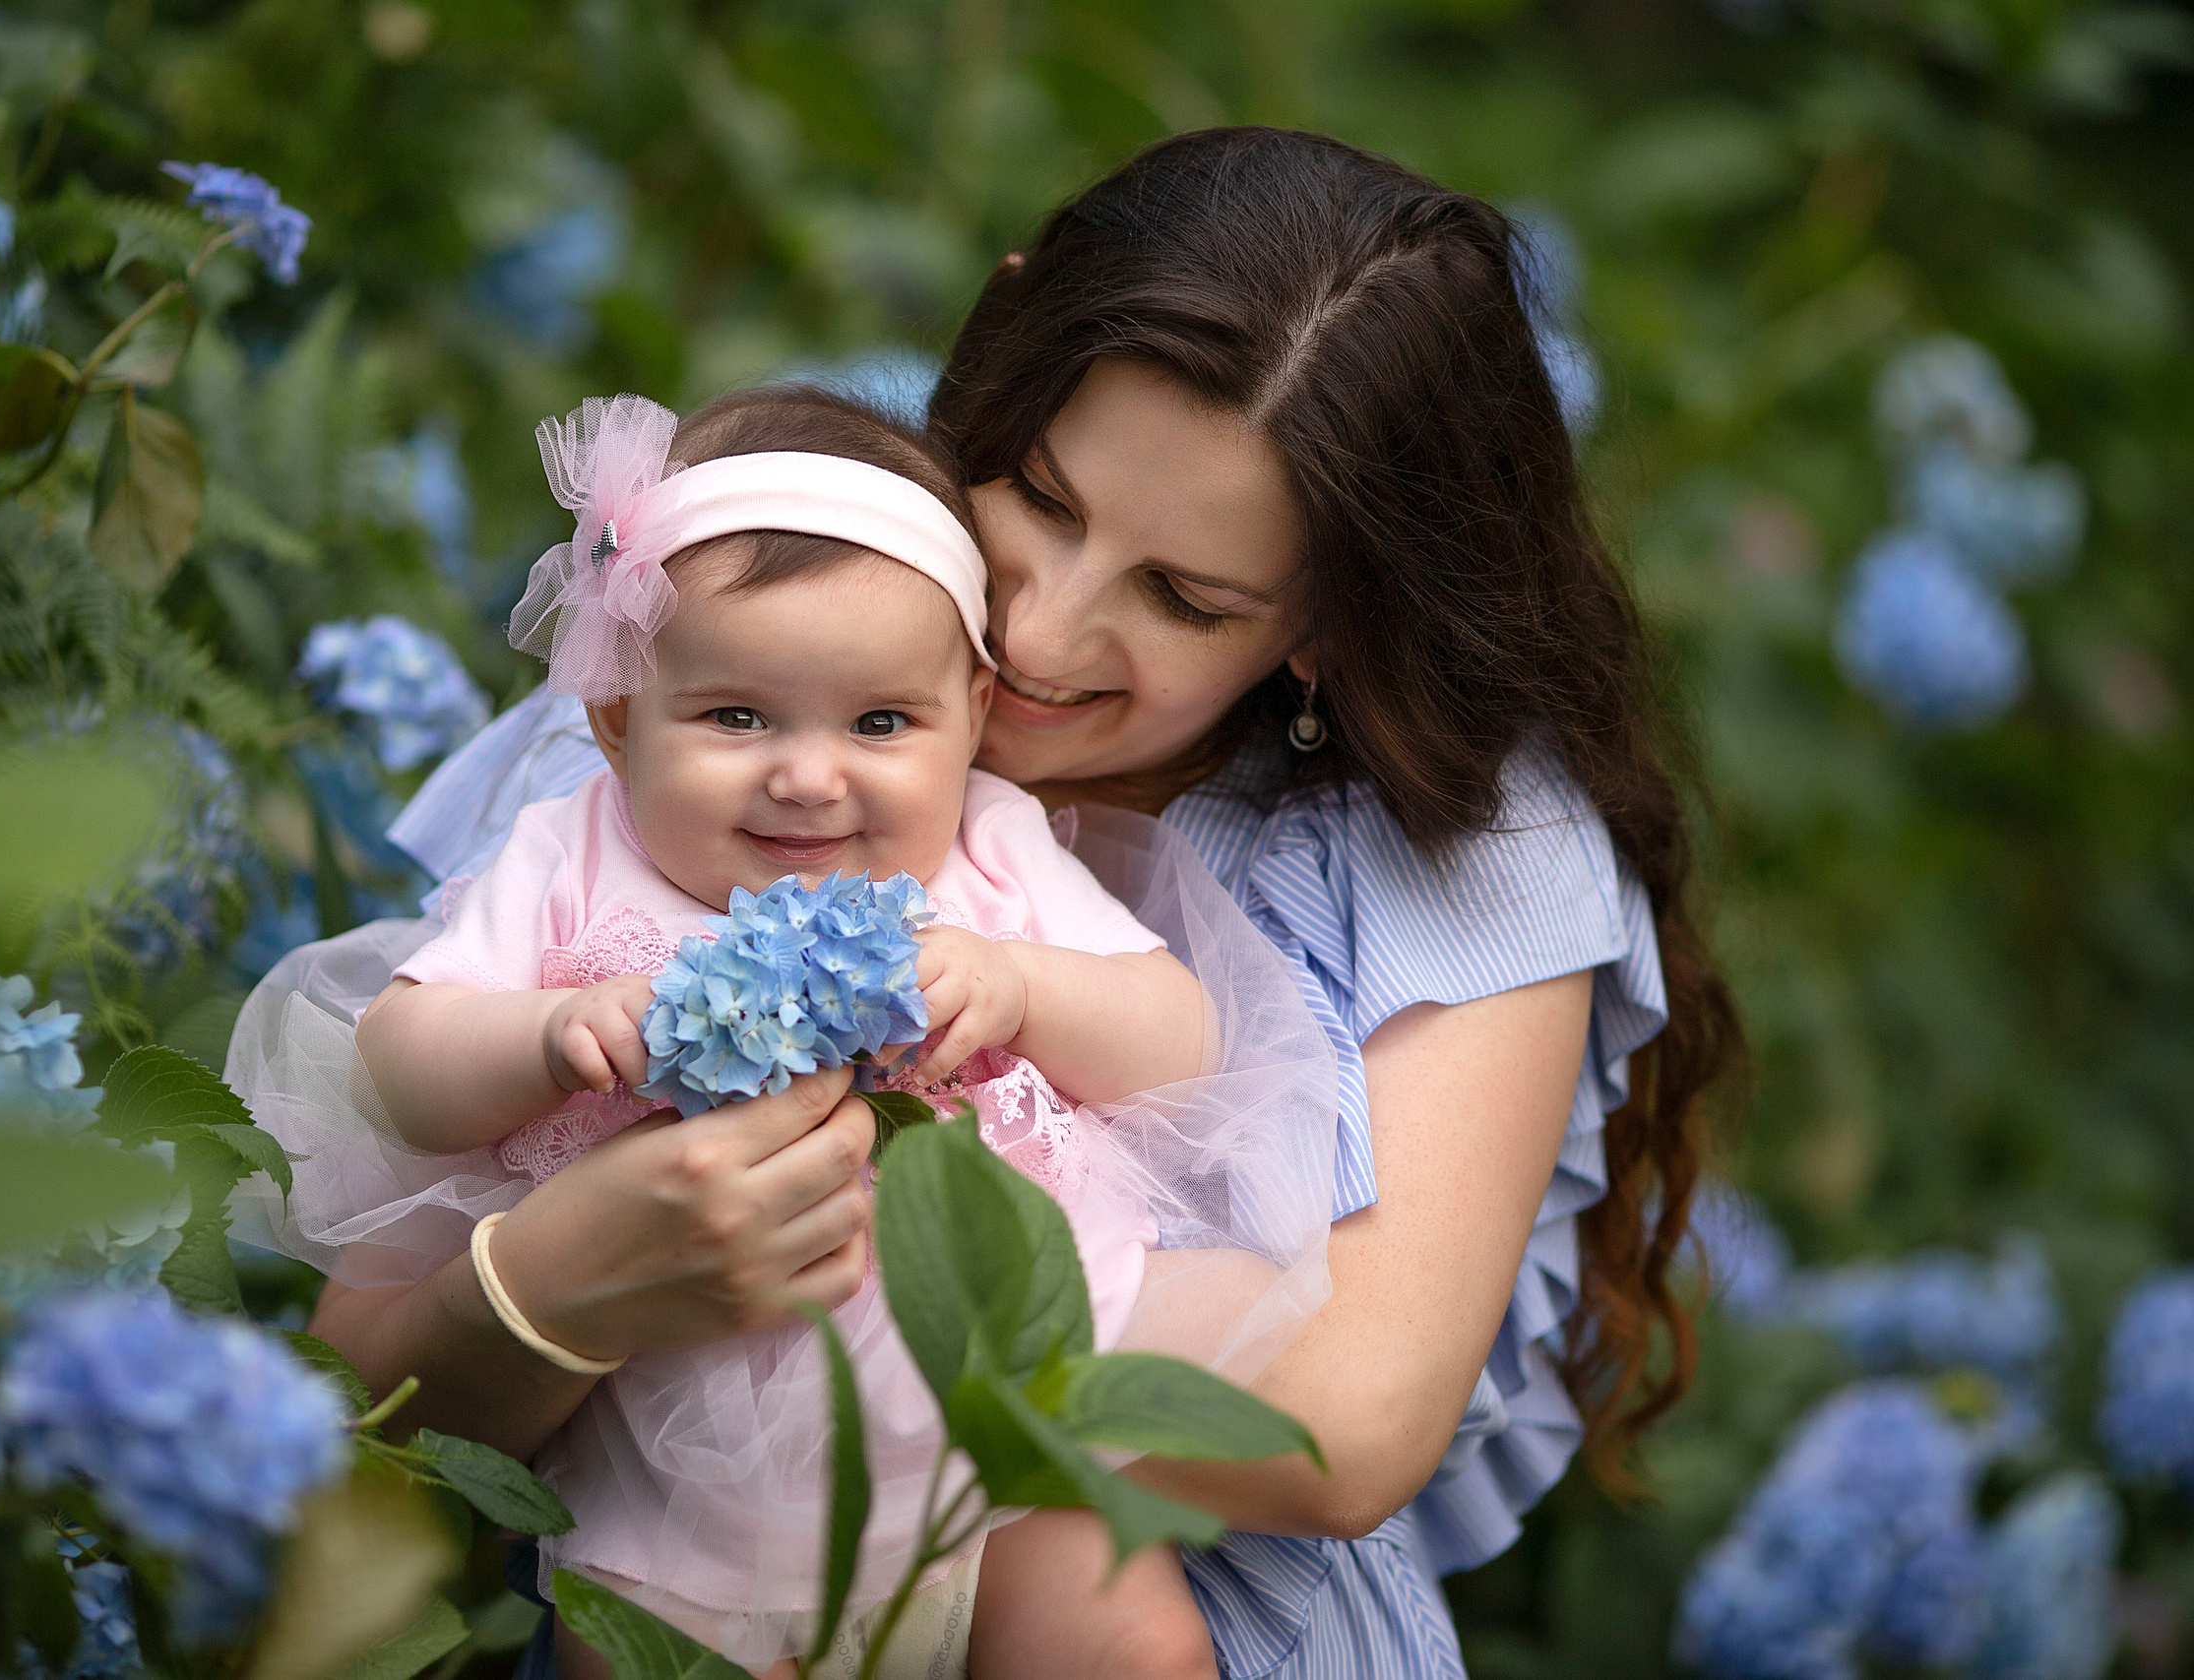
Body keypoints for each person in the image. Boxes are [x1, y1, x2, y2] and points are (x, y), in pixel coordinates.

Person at [294, 127, 1740, 1678]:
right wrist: (557, 1283)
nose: (1039, 630)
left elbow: (1345, 1425)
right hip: (691, 1590)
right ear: (996, 351)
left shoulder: (1462, 840)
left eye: (1186, 598)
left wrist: (839, 1298)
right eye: (1042, 500)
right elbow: (363, 1382)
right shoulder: (720, 664)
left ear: (1333, 615)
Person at [236, 385, 1339, 1677]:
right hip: (682, 1466)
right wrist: (547, 1035)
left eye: (881, 723)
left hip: (1001, 1426)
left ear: (974, 716)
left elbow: (1180, 1041)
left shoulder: (989, 854)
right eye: (736, 716)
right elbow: (399, 1071)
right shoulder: (573, 857)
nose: (811, 776)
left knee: (1129, 1644)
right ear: (614, 721)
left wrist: (1028, 990)